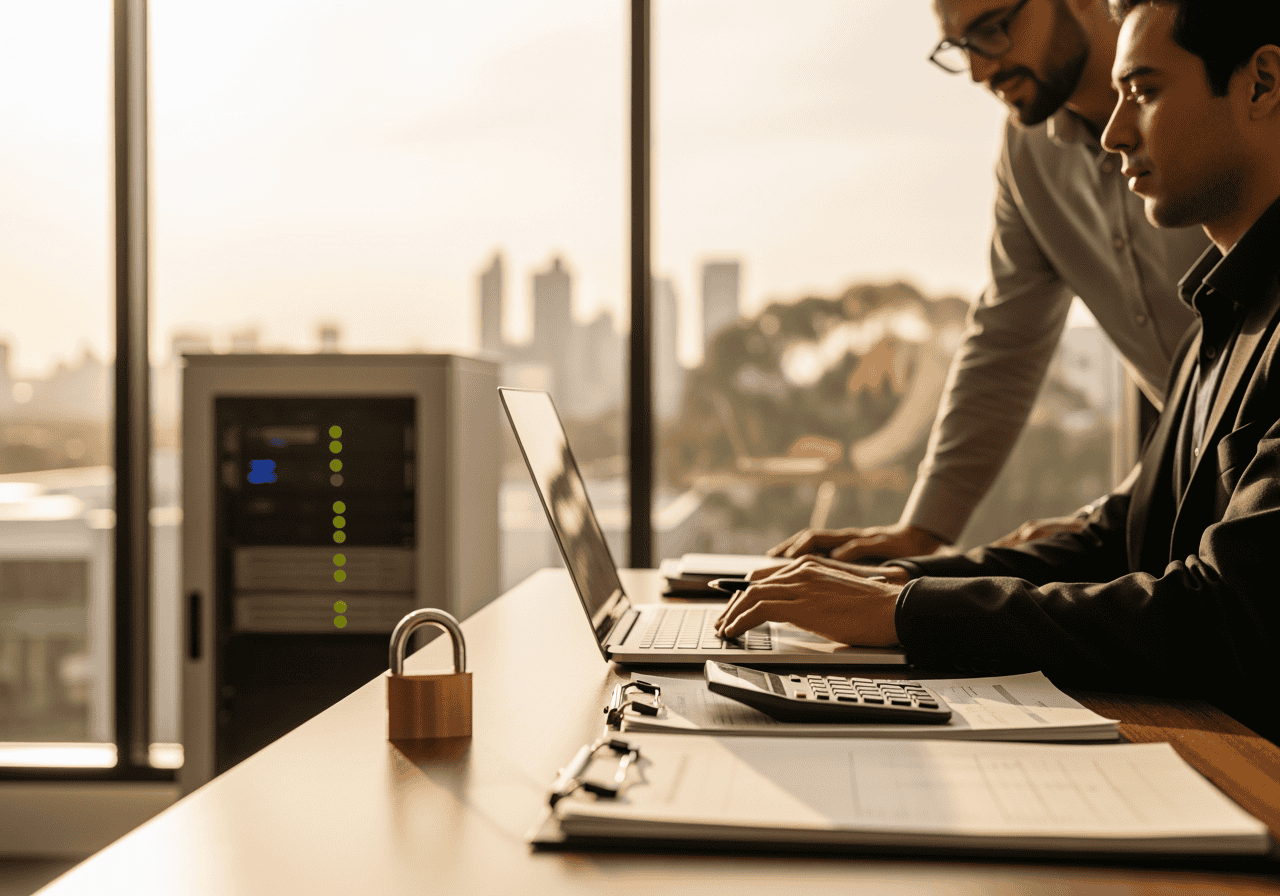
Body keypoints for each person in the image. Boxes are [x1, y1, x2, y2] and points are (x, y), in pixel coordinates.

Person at [720, 0, 1280, 741]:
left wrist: (905, 610)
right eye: (960, 46)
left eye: (1141, 93)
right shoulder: (1216, 313)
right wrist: (910, 575)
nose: (1115, 135)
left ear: (1263, 83)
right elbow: (1121, 520)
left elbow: (1227, 614)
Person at [771, 0, 1208, 563]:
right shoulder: (1027, 155)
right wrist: (923, 530)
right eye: (960, 47)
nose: (979, 70)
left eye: (994, 29)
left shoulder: (1222, 114)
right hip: (1198, 493)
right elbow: (1005, 342)